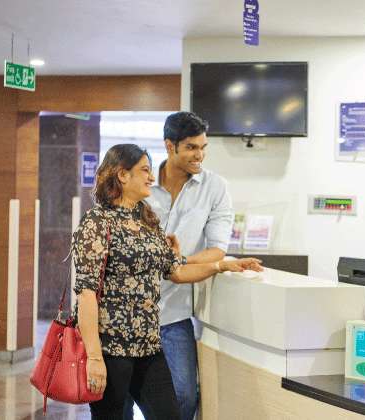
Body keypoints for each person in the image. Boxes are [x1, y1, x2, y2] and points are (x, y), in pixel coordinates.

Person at [74, 144, 262, 419]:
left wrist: (221, 265)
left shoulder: (147, 220)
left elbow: (176, 271)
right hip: (110, 349)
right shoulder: (97, 222)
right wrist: (93, 357)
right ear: (122, 175)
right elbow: (86, 293)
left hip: (149, 346)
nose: (152, 177)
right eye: (145, 170)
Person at [130, 111, 234, 420]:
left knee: (184, 396)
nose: (199, 155)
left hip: (174, 314)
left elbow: (217, 249)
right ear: (170, 145)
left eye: (203, 147)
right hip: (128, 311)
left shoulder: (215, 187)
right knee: (120, 397)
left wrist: (178, 261)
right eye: (191, 147)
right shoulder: (141, 183)